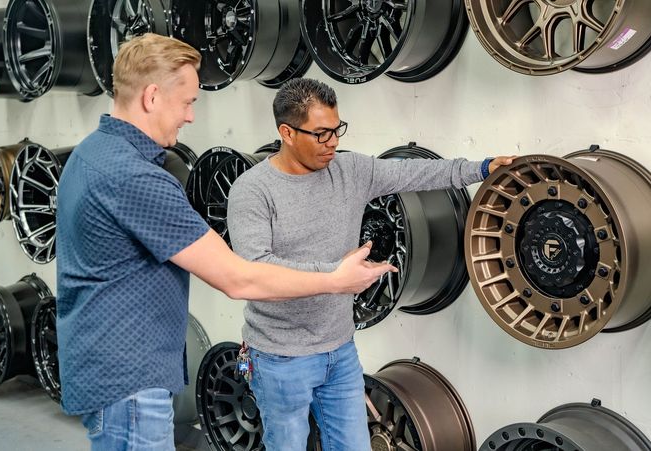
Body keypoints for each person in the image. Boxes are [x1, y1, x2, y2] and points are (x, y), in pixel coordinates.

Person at [55, 34, 396, 451]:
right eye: (187, 102)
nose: (191, 117)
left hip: (106, 367)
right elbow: (238, 279)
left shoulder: (92, 152)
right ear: (151, 97)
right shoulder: (135, 179)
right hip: (130, 382)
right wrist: (336, 278)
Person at [227, 78, 516, 451]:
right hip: (281, 358)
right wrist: (334, 275)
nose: (333, 142)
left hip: (340, 351)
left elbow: (418, 174)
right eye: (320, 134)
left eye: (337, 129)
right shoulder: (253, 190)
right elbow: (255, 271)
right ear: (286, 132)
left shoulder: (350, 171)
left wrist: (483, 167)